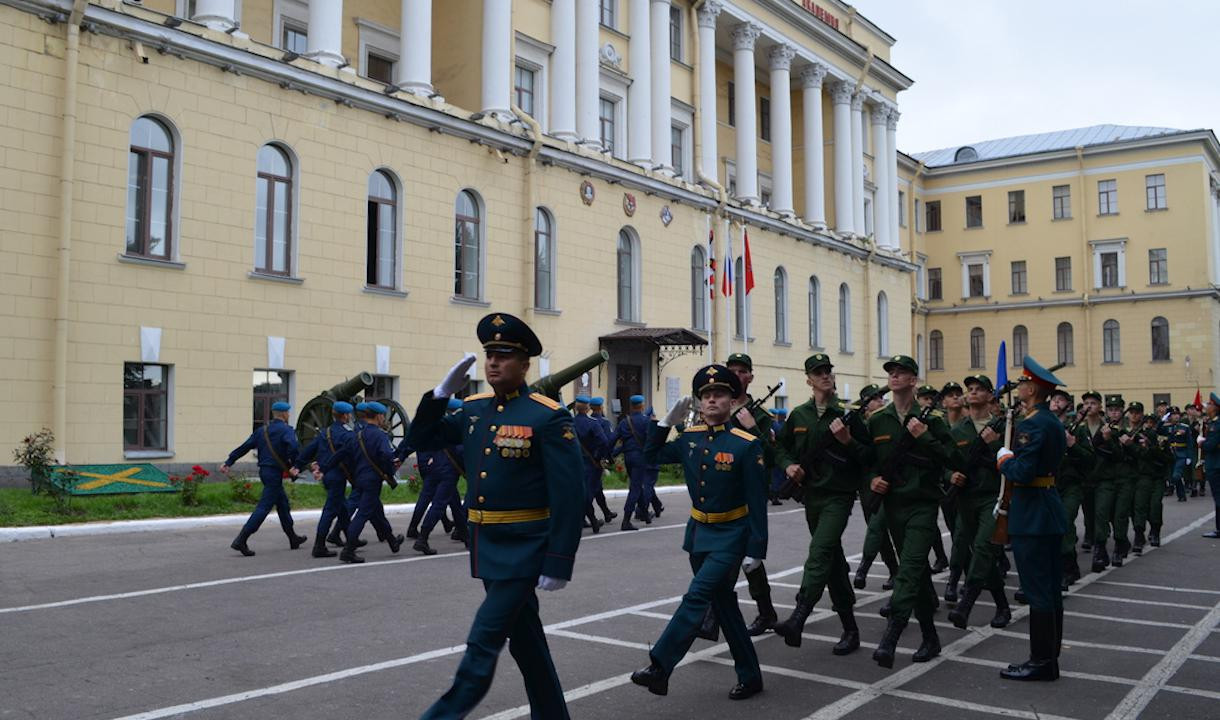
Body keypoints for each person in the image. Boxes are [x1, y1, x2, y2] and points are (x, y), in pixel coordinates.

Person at [409, 313, 584, 719]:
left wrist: (559, 560)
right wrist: (438, 396)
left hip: (525, 548)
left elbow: (569, 495)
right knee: (527, 644)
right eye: (490, 354)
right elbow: (421, 440)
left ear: (524, 365)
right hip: (487, 546)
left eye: (504, 356)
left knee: (484, 638)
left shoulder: (548, 416)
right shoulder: (474, 409)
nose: (493, 362)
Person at [630, 364, 767, 700]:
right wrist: (664, 424)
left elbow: (757, 500)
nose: (711, 400)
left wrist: (756, 548)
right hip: (699, 534)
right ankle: (750, 676)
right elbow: (651, 456)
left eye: (719, 394)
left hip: (731, 534)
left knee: (697, 595)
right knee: (724, 607)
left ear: (732, 401)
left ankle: (660, 666)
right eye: (705, 395)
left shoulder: (746, 445)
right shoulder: (689, 438)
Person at [865, 356, 960, 668]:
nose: (894, 376)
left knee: (909, 567)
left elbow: (953, 457)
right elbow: (866, 461)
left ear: (913, 381)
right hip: (893, 506)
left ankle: (891, 635)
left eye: (901, 372)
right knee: (916, 572)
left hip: (922, 503)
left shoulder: (931, 420)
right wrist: (872, 479)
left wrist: (924, 436)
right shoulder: (878, 420)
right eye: (891, 372)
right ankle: (931, 638)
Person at [770, 353, 863, 655]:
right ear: (808, 380)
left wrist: (848, 440)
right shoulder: (799, 415)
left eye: (828, 371)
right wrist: (788, 466)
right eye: (818, 372)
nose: (825, 376)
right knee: (832, 561)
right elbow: (781, 447)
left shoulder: (848, 416)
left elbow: (868, 457)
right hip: (812, 497)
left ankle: (799, 616)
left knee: (820, 551)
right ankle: (851, 628)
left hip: (838, 496)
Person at [996, 356, 1069, 681]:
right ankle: (1049, 657)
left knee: (1038, 589)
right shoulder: (1051, 421)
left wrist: (1004, 461)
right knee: (1051, 589)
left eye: (1024, 382)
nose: (1020, 386)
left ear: (1033, 388)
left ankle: (1041, 662)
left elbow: (1023, 473)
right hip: (1048, 507)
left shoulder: (1033, 423)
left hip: (1032, 515)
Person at [945, 374, 1012, 629]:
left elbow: (1012, 462)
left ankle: (967, 604)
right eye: (969, 389)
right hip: (965, 499)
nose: (972, 392)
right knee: (979, 553)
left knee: (984, 547)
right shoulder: (958, 430)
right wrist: (951, 475)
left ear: (989, 396)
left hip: (992, 498)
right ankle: (1003, 606)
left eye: (979, 389)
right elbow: (945, 463)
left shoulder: (1002, 427)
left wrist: (995, 448)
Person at [724, 353, 779, 636]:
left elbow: (771, 457)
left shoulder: (761, 416)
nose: (736, 375)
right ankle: (766, 611)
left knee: (743, 556)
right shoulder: (718, 407)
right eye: (731, 370)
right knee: (726, 554)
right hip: (722, 491)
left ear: (750, 377)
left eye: (742, 371)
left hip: (747, 493)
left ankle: (713, 613)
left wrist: (752, 428)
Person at [222, 401, 305, 556]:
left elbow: (245, 446)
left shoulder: (262, 431)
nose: (289, 415)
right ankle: (241, 539)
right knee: (263, 508)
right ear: (284, 414)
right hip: (274, 473)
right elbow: (293, 447)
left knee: (283, 505)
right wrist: (295, 465)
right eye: (288, 413)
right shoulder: (286, 430)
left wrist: (229, 461)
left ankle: (293, 537)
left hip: (265, 472)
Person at [328, 402, 405, 562]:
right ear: (378, 416)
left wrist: (324, 467)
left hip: (359, 479)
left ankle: (392, 541)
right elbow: (385, 455)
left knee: (377, 511)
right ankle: (348, 550)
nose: (384, 419)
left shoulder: (358, 434)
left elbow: (342, 453)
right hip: (372, 481)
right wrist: (392, 467)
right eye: (383, 416)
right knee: (362, 514)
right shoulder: (379, 435)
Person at [853, 384, 900, 592]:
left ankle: (864, 567)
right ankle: (894, 570)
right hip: (866, 484)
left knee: (878, 527)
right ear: (865, 404)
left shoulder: (886, 422)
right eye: (875, 399)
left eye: (882, 398)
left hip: (887, 481)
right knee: (877, 531)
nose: (880, 401)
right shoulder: (860, 424)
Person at [297, 400, 356, 558]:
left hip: (327, 477)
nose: (350, 416)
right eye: (349, 414)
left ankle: (351, 540)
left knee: (343, 509)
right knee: (330, 511)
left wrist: (298, 464)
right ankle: (319, 545)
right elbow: (346, 454)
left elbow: (309, 449)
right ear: (345, 416)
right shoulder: (347, 434)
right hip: (337, 475)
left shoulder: (325, 432)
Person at [412, 398, 468, 555]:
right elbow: (460, 450)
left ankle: (466, 536)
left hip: (435, 466)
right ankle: (422, 538)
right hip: (448, 470)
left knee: (456, 506)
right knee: (439, 504)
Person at [1050, 389, 1093, 589]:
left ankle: (1068, 568)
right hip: (1050, 484)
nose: (1056, 403)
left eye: (1061, 400)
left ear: (1068, 405)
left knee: (1065, 521)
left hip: (1072, 484)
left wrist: (1072, 445)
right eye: (1054, 399)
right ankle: (1062, 566)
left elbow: (1089, 458)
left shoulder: (1079, 429)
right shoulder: (1046, 426)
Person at [611, 395, 654, 531]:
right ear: (642, 406)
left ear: (631, 406)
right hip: (640, 459)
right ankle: (626, 521)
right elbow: (652, 440)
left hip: (628, 458)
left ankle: (646, 515)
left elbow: (612, 439)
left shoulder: (624, 422)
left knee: (637, 484)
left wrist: (608, 454)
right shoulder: (646, 421)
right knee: (635, 488)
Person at [573, 396, 612, 532]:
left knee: (583, 493)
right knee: (588, 495)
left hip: (576, 463)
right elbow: (604, 442)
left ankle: (594, 522)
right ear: (588, 408)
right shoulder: (593, 423)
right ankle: (581, 521)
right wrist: (598, 456)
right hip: (591, 464)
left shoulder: (571, 423)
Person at [1078, 391, 1104, 551]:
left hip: (1103, 474)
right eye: (1086, 403)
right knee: (1087, 508)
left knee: (1101, 509)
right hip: (1086, 474)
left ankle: (1100, 535)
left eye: (1093, 403)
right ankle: (1089, 533)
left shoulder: (1106, 427)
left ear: (1100, 406)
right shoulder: (1080, 429)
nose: (1089, 406)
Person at [1199, 393, 1220, 538]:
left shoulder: (1216, 425)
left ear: (1215, 408)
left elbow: (1211, 445)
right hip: (1215, 464)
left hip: (1217, 466)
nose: (1207, 406)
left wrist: (1201, 443)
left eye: (1209, 404)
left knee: (1218, 498)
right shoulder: (1213, 423)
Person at [1166, 407, 1196, 502]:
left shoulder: (1184, 427)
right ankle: (1181, 495)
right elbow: (1158, 430)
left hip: (1181, 454)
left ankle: (1176, 488)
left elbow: (1190, 443)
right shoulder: (1166, 427)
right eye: (1173, 414)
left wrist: (1189, 456)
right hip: (1170, 455)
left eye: (1177, 414)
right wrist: (1163, 420)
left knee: (1176, 475)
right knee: (1174, 476)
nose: (1176, 416)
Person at [769, 407, 789, 505]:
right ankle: (776, 495)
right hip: (777, 452)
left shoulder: (767, 424)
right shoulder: (778, 425)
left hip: (769, 452)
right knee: (778, 475)